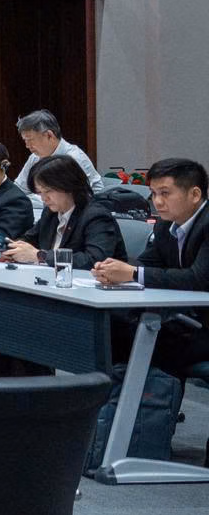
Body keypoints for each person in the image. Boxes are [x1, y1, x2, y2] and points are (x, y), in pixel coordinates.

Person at [92, 159, 209, 378]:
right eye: (153, 193)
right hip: (183, 319)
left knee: (134, 341)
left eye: (165, 193)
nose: (157, 202)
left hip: (202, 325)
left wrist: (132, 274)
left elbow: (198, 279)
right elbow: (149, 262)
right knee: (109, 328)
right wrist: (114, 271)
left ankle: (146, 397)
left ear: (194, 194)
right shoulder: (165, 224)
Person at [0, 155, 126, 269]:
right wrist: (14, 249)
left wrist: (40, 255)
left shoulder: (96, 216)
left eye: (48, 191)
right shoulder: (51, 212)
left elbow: (94, 260)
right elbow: (30, 238)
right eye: (40, 192)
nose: (44, 198)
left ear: (69, 186)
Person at [14, 110, 102, 215]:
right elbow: (18, 190)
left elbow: (64, 199)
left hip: (82, 214)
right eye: (25, 140)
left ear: (49, 135)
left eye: (30, 140)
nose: (27, 146)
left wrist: (26, 199)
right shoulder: (35, 157)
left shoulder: (73, 158)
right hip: (51, 213)